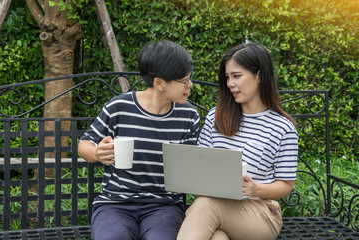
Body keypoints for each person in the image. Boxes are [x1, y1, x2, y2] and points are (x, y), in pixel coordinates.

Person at [78, 40, 200, 240]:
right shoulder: (119, 107)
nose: (190, 85)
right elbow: (84, 144)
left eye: (189, 78)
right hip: (115, 204)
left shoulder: (189, 115)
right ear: (159, 83)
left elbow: (191, 168)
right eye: (184, 81)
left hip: (165, 206)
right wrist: (96, 153)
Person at [176, 42, 298, 240]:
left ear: (259, 75)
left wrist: (256, 189)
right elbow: (199, 167)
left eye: (237, 76)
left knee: (206, 205)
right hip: (214, 208)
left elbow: (286, 186)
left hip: (259, 213)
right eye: (227, 77)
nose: (230, 83)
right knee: (217, 237)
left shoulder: (282, 128)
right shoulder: (216, 116)